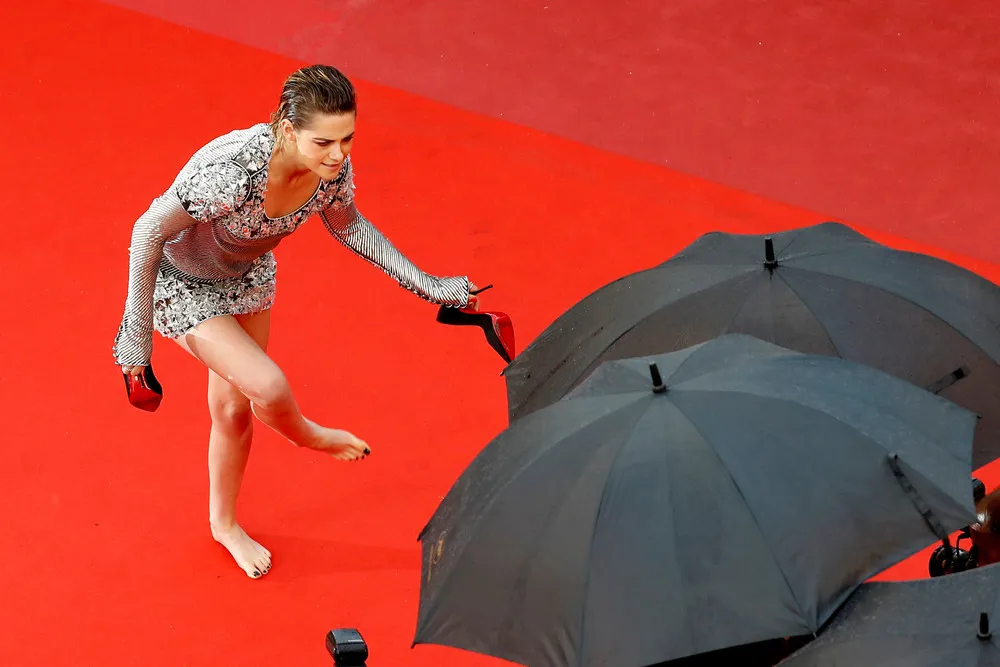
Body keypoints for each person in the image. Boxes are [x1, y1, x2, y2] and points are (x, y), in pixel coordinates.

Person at [112, 64, 481, 579]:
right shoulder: (232, 172)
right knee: (270, 384)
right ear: (287, 130)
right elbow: (148, 231)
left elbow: (350, 228)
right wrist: (136, 336)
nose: (338, 154)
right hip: (180, 282)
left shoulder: (330, 173)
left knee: (234, 410)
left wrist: (430, 285)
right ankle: (308, 436)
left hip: (248, 276)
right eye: (324, 142)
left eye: (347, 139)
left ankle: (224, 523)